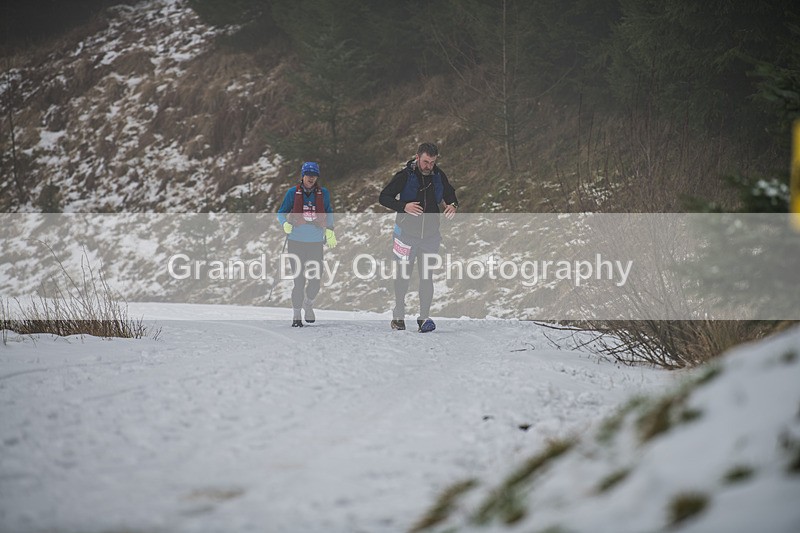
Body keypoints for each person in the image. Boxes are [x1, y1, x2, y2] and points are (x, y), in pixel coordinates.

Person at [378, 142, 459, 332]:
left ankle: (424, 318)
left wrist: (453, 205)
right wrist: (403, 206)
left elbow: (450, 193)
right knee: (403, 276)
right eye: (425, 161)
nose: (428, 166)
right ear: (417, 157)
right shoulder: (405, 176)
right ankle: (398, 313)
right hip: (405, 235)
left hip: (430, 237)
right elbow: (384, 197)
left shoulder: (439, 176)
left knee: (426, 277)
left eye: (432, 162)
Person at [277, 161, 337, 327]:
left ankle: (308, 304)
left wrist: (330, 230)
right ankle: (296, 315)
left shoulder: (323, 193)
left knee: (315, 280)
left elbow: (328, 211)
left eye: (314, 175)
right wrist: (285, 224)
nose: (311, 178)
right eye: (308, 175)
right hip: (296, 241)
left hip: (315, 242)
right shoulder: (292, 193)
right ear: (302, 176)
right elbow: (281, 213)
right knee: (299, 280)